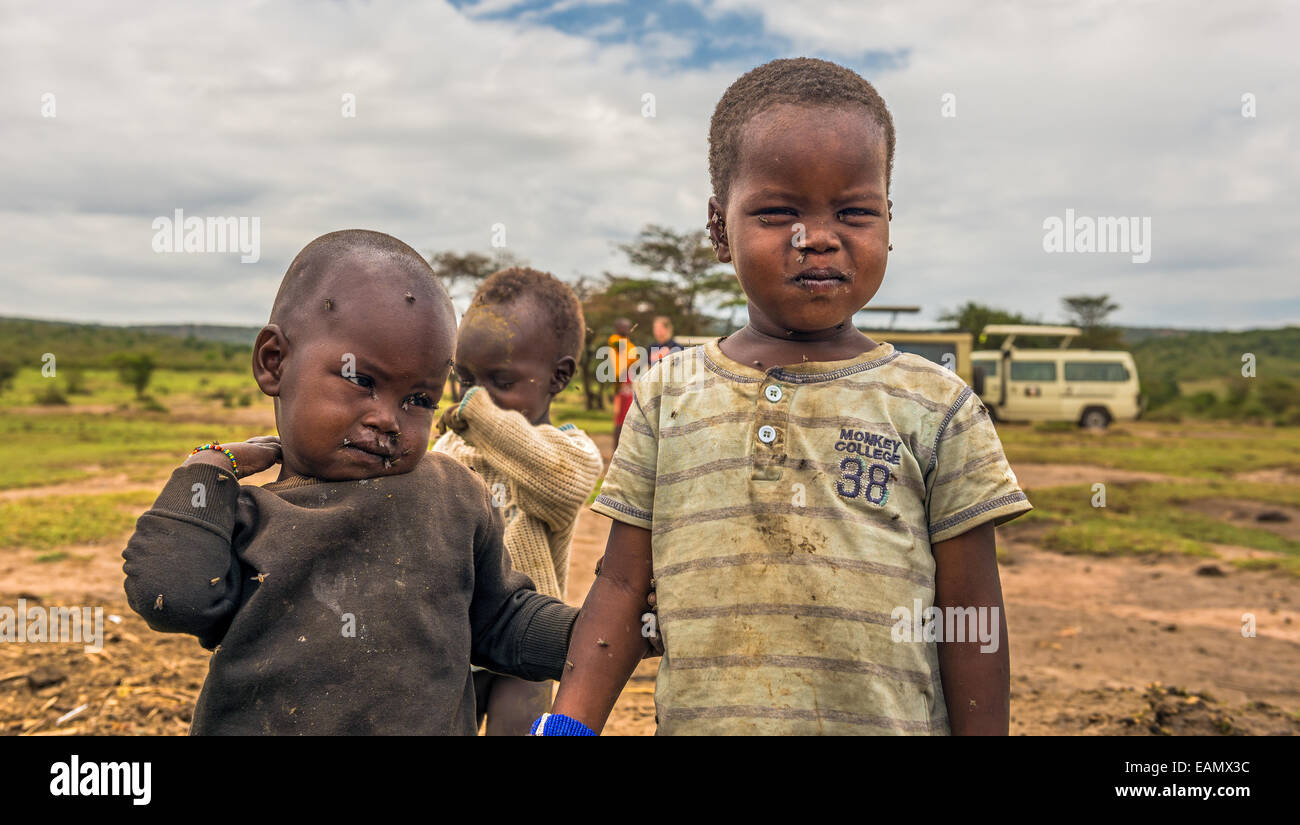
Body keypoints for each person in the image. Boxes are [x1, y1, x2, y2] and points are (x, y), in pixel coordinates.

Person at [535, 57, 1032, 736]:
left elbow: (970, 609)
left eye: (855, 211)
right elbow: (622, 587)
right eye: (779, 212)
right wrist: (569, 725)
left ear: (889, 221)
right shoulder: (666, 397)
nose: (818, 236)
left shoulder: (936, 406)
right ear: (719, 230)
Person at [122, 230, 578, 735]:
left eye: (419, 399)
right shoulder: (251, 515)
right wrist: (208, 467)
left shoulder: (454, 496)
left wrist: (592, 631)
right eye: (362, 380)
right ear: (273, 362)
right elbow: (173, 597)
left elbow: (499, 620)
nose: (388, 419)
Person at [433, 266, 604, 735]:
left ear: (559, 376)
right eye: (464, 379)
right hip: (453, 636)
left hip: (524, 639)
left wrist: (475, 414)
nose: (474, 396)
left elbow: (558, 485)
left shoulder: (569, 451)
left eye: (500, 381)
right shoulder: (448, 449)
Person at [607, 318, 640, 448]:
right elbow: (630, 354)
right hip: (620, 379)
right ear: (617, 328)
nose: (627, 329)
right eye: (624, 326)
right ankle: (616, 448)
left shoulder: (627, 343)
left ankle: (622, 447)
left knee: (627, 415)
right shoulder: (615, 339)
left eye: (629, 326)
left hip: (627, 377)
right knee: (620, 416)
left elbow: (634, 357)